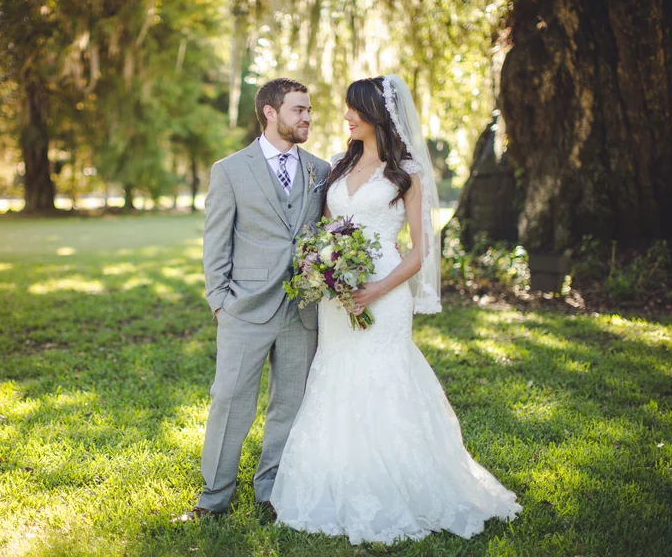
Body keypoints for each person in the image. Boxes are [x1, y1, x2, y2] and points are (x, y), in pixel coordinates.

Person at [269, 75, 522, 544]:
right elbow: (325, 227)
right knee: (336, 374)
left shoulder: (406, 172)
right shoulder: (339, 165)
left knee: (382, 376)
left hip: (385, 290)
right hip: (337, 293)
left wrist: (375, 290)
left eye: (354, 109)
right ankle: (335, 479)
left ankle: (400, 485)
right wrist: (323, 267)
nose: (346, 116)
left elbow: (421, 251)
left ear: (377, 115)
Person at [181, 78, 332, 521]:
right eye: (298, 110)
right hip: (244, 307)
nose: (307, 117)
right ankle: (213, 498)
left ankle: (272, 490)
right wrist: (219, 301)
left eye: (308, 110)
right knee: (230, 401)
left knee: (289, 403)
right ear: (270, 112)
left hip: (301, 309)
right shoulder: (229, 170)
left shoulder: (320, 170)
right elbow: (216, 240)